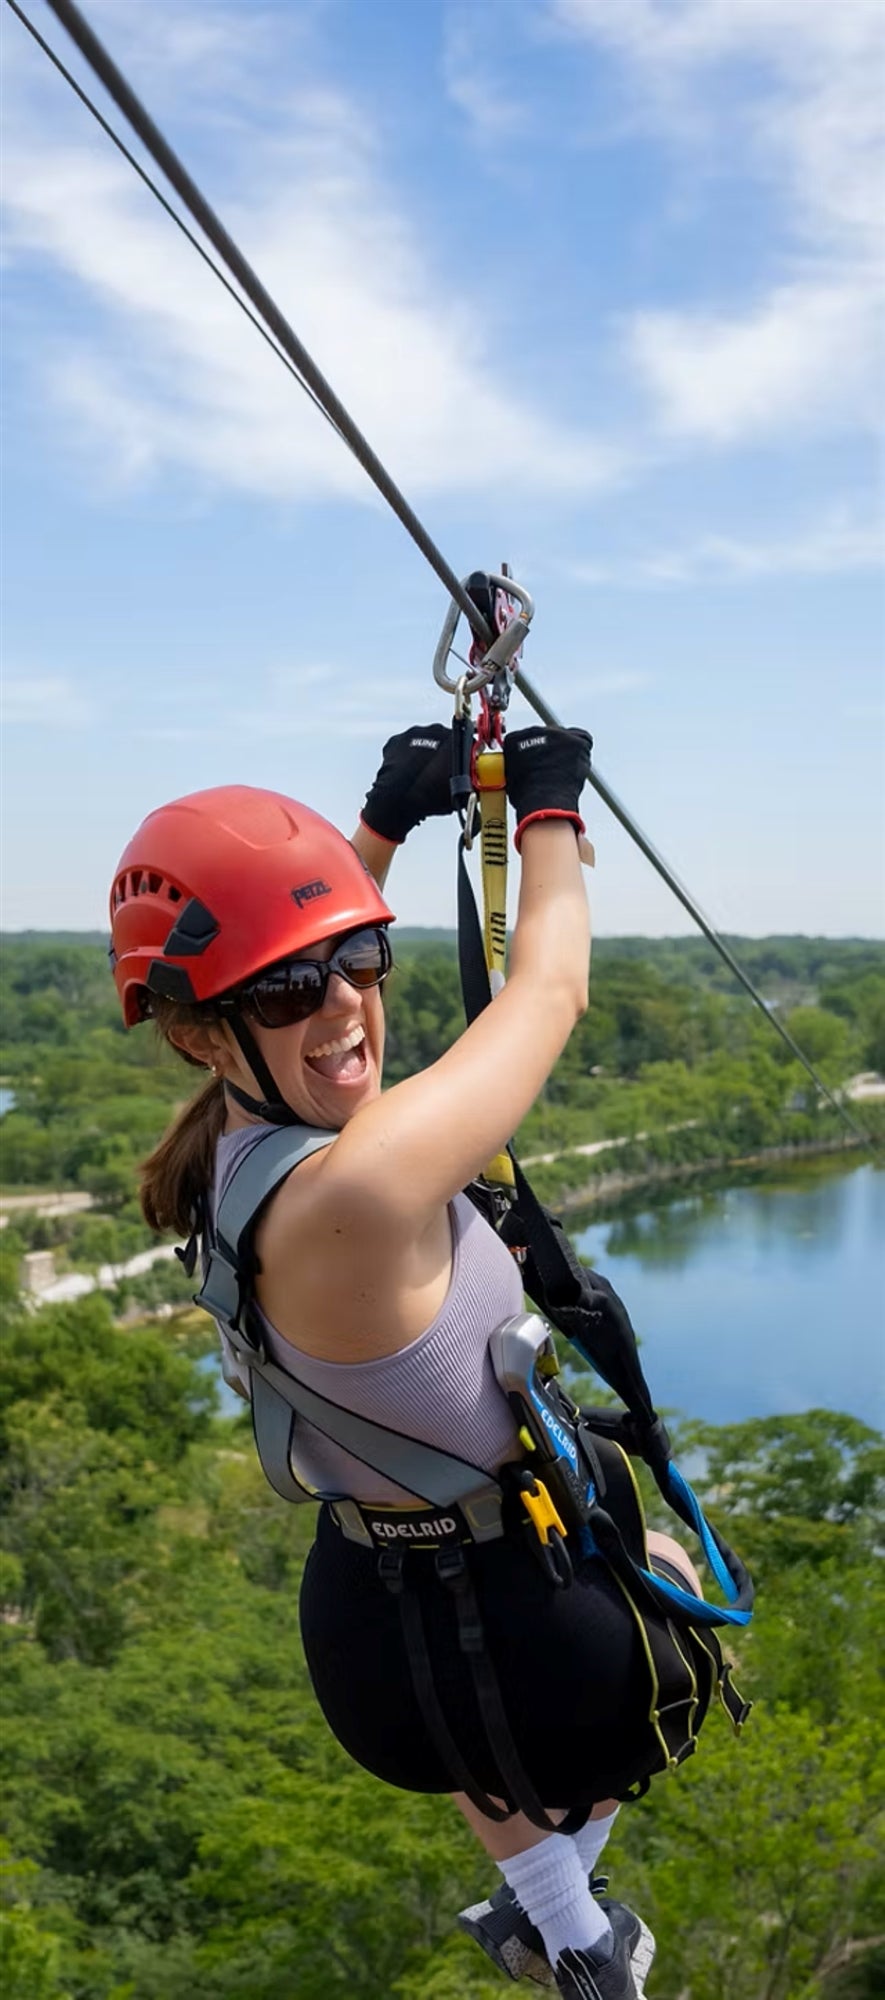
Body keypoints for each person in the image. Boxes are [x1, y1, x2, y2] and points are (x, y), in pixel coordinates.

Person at [109, 723, 712, 1999]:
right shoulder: (365, 1186)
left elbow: (282, 982)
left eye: (361, 956)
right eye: (293, 989)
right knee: (664, 1579)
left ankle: (566, 1926)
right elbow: (549, 992)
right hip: (531, 1648)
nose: (344, 1001)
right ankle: (564, 1891)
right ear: (204, 1037)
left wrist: (374, 825)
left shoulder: (220, 1149)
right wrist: (546, 811)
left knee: (511, 1683)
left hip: (373, 1651)